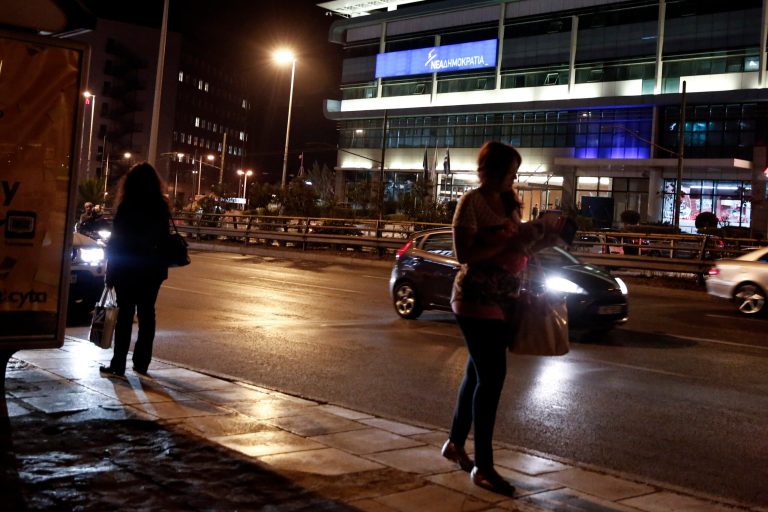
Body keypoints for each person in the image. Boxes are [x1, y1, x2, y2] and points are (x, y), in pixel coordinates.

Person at [441, 141, 563, 496]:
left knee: (476, 374)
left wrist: (546, 236)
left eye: (515, 172)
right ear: (490, 171)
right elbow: (465, 253)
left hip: (505, 299)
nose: (514, 178)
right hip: (475, 298)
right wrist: (510, 241)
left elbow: (520, 247)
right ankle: (484, 466)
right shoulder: (472, 202)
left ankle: (454, 444)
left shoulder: (510, 203)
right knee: (492, 378)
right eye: (510, 172)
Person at [99, 163, 171, 377]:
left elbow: (117, 242)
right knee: (147, 314)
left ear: (130, 183)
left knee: (125, 316)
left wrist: (110, 271)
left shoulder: (127, 206)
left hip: (127, 268)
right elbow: (163, 238)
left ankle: (118, 364)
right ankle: (141, 363)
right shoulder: (160, 206)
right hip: (152, 269)